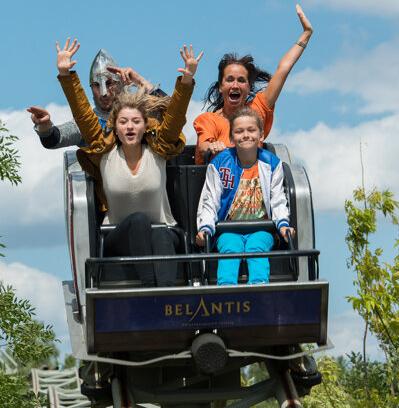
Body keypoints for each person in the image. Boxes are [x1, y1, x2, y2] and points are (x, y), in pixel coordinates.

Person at [56, 37, 202, 287]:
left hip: (164, 235)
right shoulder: (104, 149)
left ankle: (164, 297)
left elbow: (175, 116)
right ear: (115, 125)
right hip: (117, 236)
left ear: (146, 125)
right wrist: (66, 74)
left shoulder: (158, 148)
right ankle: (147, 290)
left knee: (161, 234)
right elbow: (82, 113)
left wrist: (186, 80)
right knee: (139, 221)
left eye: (136, 121)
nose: (130, 127)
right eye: (123, 122)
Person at [193, 4, 313, 165]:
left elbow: (283, 70)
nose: (235, 85)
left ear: (249, 87)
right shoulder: (209, 120)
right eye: (229, 80)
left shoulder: (256, 110)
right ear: (221, 87)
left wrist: (306, 35)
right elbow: (203, 146)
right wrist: (212, 146)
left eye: (241, 80)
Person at [195, 107, 295, 285]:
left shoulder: (272, 164)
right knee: (230, 248)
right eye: (239, 131)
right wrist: (206, 229)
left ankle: (258, 287)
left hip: (261, 228)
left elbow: (278, 199)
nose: (246, 135)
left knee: (256, 247)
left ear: (261, 135)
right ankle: (226, 290)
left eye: (251, 130)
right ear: (231, 138)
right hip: (229, 229)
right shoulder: (219, 164)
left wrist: (283, 224)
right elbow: (210, 201)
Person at [27, 49, 165, 149]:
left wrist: (139, 80)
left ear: (121, 84)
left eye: (109, 83)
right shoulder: (86, 123)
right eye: (97, 85)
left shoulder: (139, 116)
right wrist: (44, 126)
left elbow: (172, 113)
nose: (104, 93)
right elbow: (53, 140)